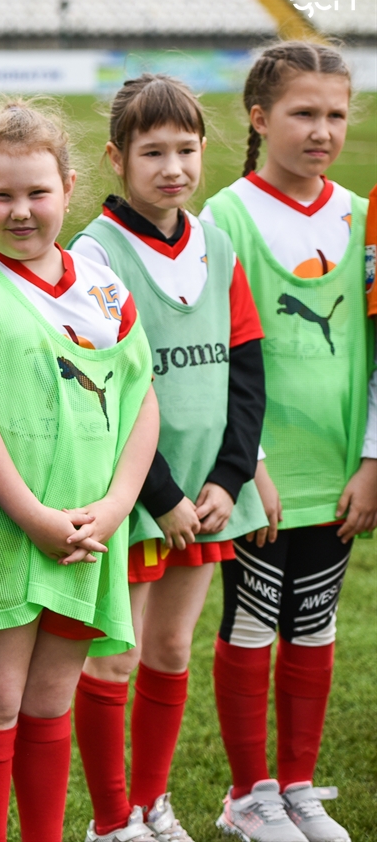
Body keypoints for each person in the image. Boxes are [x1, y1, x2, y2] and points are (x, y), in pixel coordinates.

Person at [0, 99, 160, 842]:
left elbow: (141, 401)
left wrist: (120, 504)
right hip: (9, 529)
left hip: (92, 531)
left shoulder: (103, 287)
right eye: (0, 195)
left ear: (69, 187)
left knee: (52, 701)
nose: (20, 211)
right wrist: (33, 516)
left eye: (37, 192)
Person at [67, 74, 268, 842]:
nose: (173, 167)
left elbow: (247, 367)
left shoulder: (216, 242)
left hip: (208, 493)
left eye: (186, 149)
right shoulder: (94, 252)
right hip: (139, 495)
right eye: (153, 151)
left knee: (172, 650)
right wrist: (160, 494)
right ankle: (111, 820)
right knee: (114, 660)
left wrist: (230, 475)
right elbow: (102, 391)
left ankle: (153, 805)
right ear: (118, 158)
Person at [200, 41, 372, 842]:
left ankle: (297, 785)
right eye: (304, 113)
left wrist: (373, 459)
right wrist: (250, 467)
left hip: (339, 470)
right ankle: (247, 794)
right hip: (260, 474)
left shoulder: (360, 216)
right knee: (250, 622)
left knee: (316, 621)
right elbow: (225, 353)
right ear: (261, 118)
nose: (322, 130)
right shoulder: (228, 215)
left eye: (336, 114)